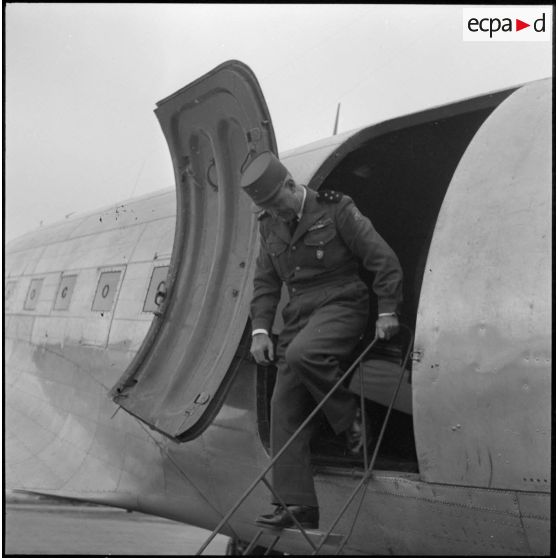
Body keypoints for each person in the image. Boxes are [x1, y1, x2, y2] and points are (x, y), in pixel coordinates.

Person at [240, 151, 403, 530]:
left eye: (276, 203)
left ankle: (352, 419)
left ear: (290, 185)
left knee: (302, 354)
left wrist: (388, 308)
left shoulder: (337, 209)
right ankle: (297, 505)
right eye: (266, 208)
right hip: (299, 313)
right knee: (282, 404)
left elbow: (382, 258)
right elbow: (265, 282)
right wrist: (260, 330)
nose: (275, 212)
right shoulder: (269, 226)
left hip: (343, 301)